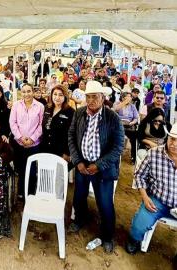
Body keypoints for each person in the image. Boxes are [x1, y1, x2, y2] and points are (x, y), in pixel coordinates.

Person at [68, 80, 124, 253]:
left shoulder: (112, 117)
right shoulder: (79, 113)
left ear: (102, 98)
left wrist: (99, 165)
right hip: (82, 166)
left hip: (103, 169)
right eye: (88, 97)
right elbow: (71, 136)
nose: (91, 100)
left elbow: (118, 146)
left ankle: (107, 236)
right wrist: (78, 161)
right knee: (78, 197)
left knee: (105, 204)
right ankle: (79, 220)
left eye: (95, 97)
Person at [125, 123, 177, 255]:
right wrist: (145, 197)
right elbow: (139, 175)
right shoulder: (154, 153)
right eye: (172, 139)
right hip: (157, 201)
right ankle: (134, 240)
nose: (174, 144)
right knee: (138, 227)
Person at [9, 83, 44, 198]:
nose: (26, 94)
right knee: (21, 168)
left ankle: (30, 193)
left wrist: (32, 139)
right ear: (21, 93)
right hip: (19, 143)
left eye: (29, 91)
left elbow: (41, 125)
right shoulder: (16, 105)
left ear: (33, 92)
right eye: (24, 92)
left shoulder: (39, 106)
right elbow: (12, 123)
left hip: (34, 144)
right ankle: (20, 191)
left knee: (32, 169)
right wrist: (20, 137)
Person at [41, 85, 75, 165]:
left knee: (59, 177)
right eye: (55, 94)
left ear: (65, 97)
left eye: (60, 95)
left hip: (61, 153)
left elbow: (73, 135)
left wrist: (67, 153)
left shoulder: (71, 112)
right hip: (45, 150)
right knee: (45, 176)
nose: (57, 97)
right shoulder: (46, 108)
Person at [113, 92, 139, 163]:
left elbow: (136, 117)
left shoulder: (132, 106)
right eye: (127, 96)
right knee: (115, 138)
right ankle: (115, 156)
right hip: (118, 125)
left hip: (129, 126)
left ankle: (133, 157)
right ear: (123, 97)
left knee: (134, 138)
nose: (129, 98)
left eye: (130, 97)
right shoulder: (117, 103)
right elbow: (115, 110)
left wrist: (132, 122)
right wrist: (124, 102)